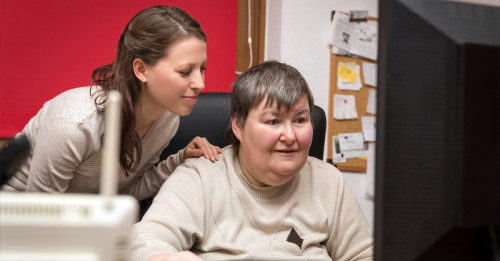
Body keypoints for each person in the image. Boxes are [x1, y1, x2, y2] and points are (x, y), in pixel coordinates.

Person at [131, 61, 373, 261]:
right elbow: (145, 241)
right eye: (273, 121)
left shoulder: (329, 181)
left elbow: (365, 255)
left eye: (300, 120)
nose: (289, 136)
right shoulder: (200, 177)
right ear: (238, 125)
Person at [2, 5, 221, 201]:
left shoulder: (167, 118)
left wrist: (180, 159)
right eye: (185, 71)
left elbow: (118, 196)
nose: (200, 83)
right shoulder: (73, 126)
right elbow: (40, 215)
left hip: (81, 219)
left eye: (202, 69)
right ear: (142, 70)